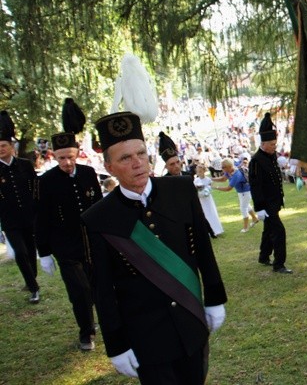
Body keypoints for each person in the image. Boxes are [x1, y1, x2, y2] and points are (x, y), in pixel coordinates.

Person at [82, 111, 227, 383]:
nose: (138, 163)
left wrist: (215, 297)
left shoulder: (181, 190)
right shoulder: (98, 218)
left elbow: (204, 251)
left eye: (141, 153)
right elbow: (103, 288)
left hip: (190, 320)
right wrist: (116, 344)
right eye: (125, 158)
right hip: (145, 336)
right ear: (109, 167)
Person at [35, 130, 102, 351]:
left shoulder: (88, 173)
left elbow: (100, 206)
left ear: (77, 154)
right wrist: (43, 252)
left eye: (71, 157)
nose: (67, 162)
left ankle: (102, 321)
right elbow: (41, 217)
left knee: (97, 288)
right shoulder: (46, 181)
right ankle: (86, 332)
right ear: (54, 156)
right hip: (65, 246)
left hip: (92, 243)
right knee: (79, 291)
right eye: (62, 158)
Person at [0, 110, 40, 303]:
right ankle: (34, 288)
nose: (1, 149)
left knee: (31, 251)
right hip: (9, 219)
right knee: (21, 252)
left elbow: (35, 187)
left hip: (29, 216)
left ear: (11, 146)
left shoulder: (25, 165)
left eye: (3, 145)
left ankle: (31, 277)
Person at [249, 112, 292, 274]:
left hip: (275, 202)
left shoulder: (271, 156)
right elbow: (255, 186)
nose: (275, 147)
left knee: (268, 230)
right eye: (272, 144)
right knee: (278, 232)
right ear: (264, 144)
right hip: (266, 205)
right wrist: (259, 207)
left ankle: (263, 256)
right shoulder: (256, 161)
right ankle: (279, 264)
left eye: (275, 144)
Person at [214, 158, 259, 233]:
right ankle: (255, 219)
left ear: (229, 167)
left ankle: (245, 227)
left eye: (223, 167)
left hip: (246, 192)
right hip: (241, 192)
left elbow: (228, 188)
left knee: (243, 208)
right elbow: (223, 179)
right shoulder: (229, 171)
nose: (221, 169)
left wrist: (216, 187)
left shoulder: (236, 174)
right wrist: (212, 179)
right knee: (246, 205)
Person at [194, 164, 224, 236]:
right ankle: (207, 231)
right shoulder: (196, 180)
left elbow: (210, 188)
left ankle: (216, 230)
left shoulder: (208, 179)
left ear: (204, 171)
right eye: (198, 171)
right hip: (201, 199)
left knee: (211, 212)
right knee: (204, 214)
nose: (199, 173)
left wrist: (205, 191)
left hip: (207, 199)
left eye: (200, 171)